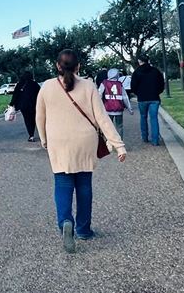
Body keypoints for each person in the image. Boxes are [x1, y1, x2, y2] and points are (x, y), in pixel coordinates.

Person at [36, 49, 126, 253]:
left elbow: (39, 117)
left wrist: (44, 140)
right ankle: (84, 229)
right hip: (85, 141)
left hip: (59, 141)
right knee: (84, 185)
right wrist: (118, 144)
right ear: (78, 66)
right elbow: (102, 117)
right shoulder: (88, 85)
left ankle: (65, 222)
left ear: (58, 65)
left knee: (62, 183)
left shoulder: (47, 87)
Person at [130, 57, 166, 146]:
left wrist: (138, 93)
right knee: (154, 118)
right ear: (148, 61)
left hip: (142, 98)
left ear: (140, 61)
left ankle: (145, 137)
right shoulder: (155, 71)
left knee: (143, 117)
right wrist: (157, 92)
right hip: (154, 97)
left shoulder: (136, 72)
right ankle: (155, 140)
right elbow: (162, 84)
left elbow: (133, 86)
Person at [8, 72, 42, 141]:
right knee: (34, 119)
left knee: (27, 120)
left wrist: (11, 104)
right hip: (33, 105)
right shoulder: (34, 84)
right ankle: (39, 133)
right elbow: (40, 93)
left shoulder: (19, 84)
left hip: (23, 106)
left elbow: (15, 95)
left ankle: (31, 135)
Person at [99, 67, 133, 135]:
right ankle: (120, 142)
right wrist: (130, 108)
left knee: (108, 126)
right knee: (119, 126)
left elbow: (99, 95)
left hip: (107, 109)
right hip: (119, 109)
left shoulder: (104, 83)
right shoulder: (119, 84)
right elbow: (125, 97)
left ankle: (109, 141)